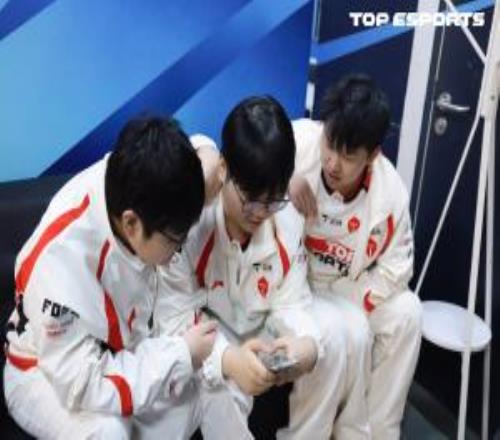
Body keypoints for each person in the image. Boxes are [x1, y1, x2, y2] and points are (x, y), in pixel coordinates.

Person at [156, 96, 371, 440]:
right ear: (224, 170)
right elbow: (175, 318)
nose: (259, 213)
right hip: (202, 335)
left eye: (272, 200)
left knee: (334, 335)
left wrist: (305, 346)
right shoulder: (193, 223)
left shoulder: (286, 221)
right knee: (211, 391)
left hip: (257, 335)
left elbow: (292, 302)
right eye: (250, 199)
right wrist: (228, 359)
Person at [3, 115, 220, 439]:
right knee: (110, 431)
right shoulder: (60, 266)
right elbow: (84, 383)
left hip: (121, 344)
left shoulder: (135, 178)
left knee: (203, 385)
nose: (179, 251)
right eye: (175, 240)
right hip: (43, 372)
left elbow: (192, 152)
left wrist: (207, 153)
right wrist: (179, 354)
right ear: (131, 223)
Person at [289, 74, 423, 440]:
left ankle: (377, 431)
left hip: (350, 288)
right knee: (341, 330)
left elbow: (397, 267)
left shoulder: (391, 192)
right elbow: (250, 158)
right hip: (296, 283)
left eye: (349, 156)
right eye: (330, 146)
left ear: (373, 155)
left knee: (408, 314)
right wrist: (284, 175)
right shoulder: (297, 143)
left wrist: (359, 302)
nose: (333, 163)